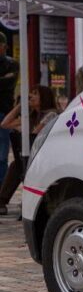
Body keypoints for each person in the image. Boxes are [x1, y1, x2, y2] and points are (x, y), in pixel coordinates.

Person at [0, 85, 57, 216]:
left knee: (17, 165)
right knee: (16, 165)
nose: (31, 97)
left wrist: (25, 122)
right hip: (34, 157)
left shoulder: (51, 114)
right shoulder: (31, 117)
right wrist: (21, 106)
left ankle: (3, 200)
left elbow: (34, 134)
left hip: (47, 158)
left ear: (44, 97)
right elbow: (4, 124)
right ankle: (2, 200)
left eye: (35, 94)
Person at [0, 36, 15, 188]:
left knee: (2, 154)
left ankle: (1, 186)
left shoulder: (11, 63)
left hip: (4, 110)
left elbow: (8, 84)